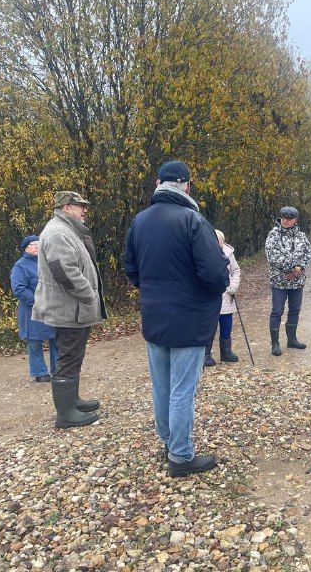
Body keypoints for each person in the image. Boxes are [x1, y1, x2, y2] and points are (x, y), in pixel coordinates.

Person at [124, 160, 229, 477]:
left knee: (162, 386)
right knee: (183, 389)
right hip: (189, 318)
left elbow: (131, 270)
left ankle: (170, 442)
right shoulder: (193, 220)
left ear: (158, 183)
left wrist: (156, 292)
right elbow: (215, 274)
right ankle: (181, 456)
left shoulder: (140, 221)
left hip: (155, 316)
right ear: (187, 185)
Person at [33, 191, 105, 429]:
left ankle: (72, 401)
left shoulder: (66, 230)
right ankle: (65, 414)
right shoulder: (57, 232)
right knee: (68, 357)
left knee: (73, 356)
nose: (84, 210)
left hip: (75, 309)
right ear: (66, 208)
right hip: (69, 309)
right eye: (79, 206)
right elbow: (65, 272)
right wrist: (89, 295)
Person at [265, 206, 311, 356]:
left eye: (289, 218)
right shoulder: (273, 235)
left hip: (297, 282)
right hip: (279, 281)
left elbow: (309, 253)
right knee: (277, 311)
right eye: (283, 218)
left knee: (294, 310)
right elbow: (272, 257)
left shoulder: (301, 236)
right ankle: (275, 344)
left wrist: (300, 268)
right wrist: (292, 269)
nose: (285, 221)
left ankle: (292, 340)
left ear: (295, 220)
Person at [10, 235, 58, 383]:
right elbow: (19, 289)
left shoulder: (47, 262)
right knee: (35, 341)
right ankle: (40, 372)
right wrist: (38, 300)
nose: (37, 246)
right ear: (26, 248)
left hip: (52, 308)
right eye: (33, 244)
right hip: (32, 311)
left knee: (56, 338)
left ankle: (59, 370)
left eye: (39, 244)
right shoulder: (20, 266)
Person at [204, 229, 241, 366]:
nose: (218, 243)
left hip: (227, 294)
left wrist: (234, 286)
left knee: (226, 323)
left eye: (220, 240)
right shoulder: (203, 252)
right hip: (209, 295)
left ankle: (226, 352)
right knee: (209, 326)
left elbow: (235, 270)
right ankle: (206, 354)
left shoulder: (228, 253)